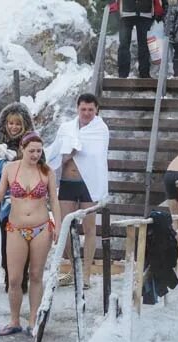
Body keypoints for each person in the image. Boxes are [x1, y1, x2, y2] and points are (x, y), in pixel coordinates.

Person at [0, 132, 62, 336]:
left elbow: (54, 201)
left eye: (39, 151)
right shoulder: (10, 168)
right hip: (15, 228)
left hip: (41, 228)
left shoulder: (47, 171)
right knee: (14, 278)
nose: (35, 155)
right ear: (22, 149)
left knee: (35, 275)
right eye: (31, 150)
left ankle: (33, 320)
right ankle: (14, 320)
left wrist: (58, 225)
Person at [46, 94, 110, 288]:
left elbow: (97, 155)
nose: (87, 113)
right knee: (65, 226)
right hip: (67, 181)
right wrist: (67, 155)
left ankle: (86, 274)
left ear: (96, 110)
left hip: (89, 184)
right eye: (83, 109)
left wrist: (78, 148)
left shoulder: (100, 129)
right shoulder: (66, 128)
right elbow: (55, 153)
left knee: (89, 228)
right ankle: (74, 270)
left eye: (91, 110)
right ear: (77, 108)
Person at [0, 102, 35, 293]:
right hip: (4, 197)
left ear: (24, 126)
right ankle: (10, 276)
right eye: (10, 123)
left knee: (26, 237)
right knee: (8, 237)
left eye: (17, 124)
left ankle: (23, 275)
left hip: (28, 199)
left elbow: (42, 165)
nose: (13, 127)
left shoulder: (32, 142)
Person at [117, 0, 159, 79]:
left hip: (145, 11)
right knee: (124, 44)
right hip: (127, 11)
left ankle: (144, 73)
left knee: (143, 45)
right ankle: (123, 74)